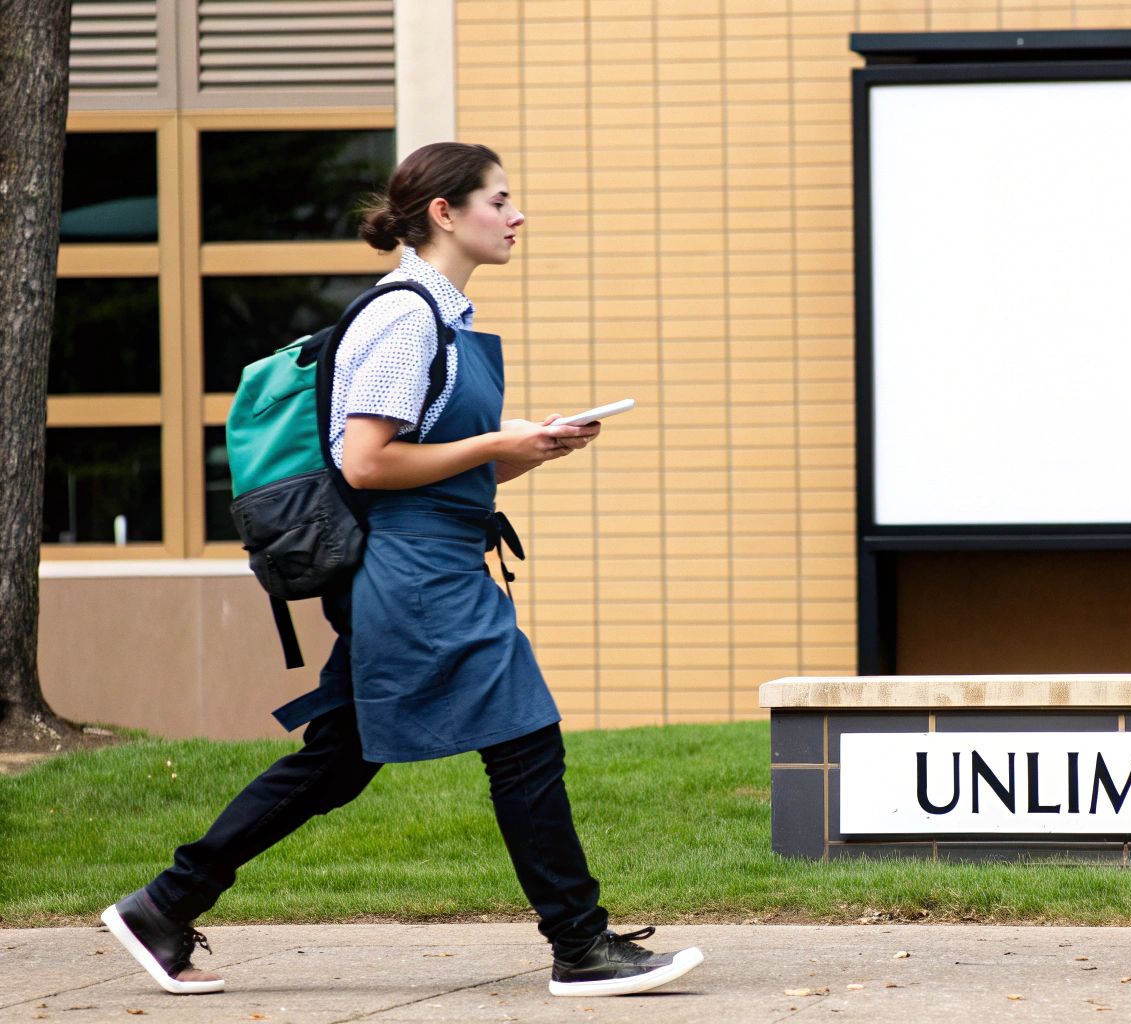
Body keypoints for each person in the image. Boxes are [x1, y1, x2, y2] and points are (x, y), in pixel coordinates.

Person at [101, 142, 703, 999]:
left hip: (427, 559)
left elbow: (442, 464)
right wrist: (499, 441)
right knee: (524, 737)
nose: (517, 215)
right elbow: (366, 463)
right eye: (500, 200)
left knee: (340, 757)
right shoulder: (406, 316)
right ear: (445, 214)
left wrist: (535, 450)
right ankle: (579, 943)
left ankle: (165, 905)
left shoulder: (440, 317)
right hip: (416, 572)